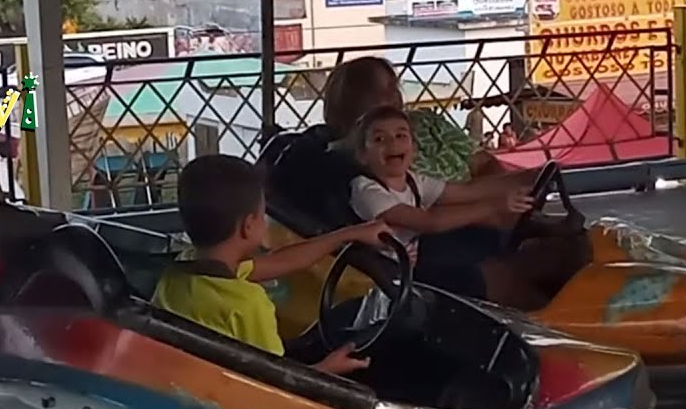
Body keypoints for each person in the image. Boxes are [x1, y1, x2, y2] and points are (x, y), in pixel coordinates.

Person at [151, 153, 395, 376]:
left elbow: (280, 261)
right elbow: (276, 383)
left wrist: (348, 235)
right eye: (263, 214)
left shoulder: (178, 273)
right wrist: (327, 369)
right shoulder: (247, 304)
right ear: (248, 226)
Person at [348, 106, 579, 311]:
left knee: (548, 253)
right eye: (379, 139)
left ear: (413, 148)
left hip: (415, 264)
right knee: (503, 278)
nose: (392, 143)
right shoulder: (366, 190)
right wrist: (494, 207)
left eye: (401, 136)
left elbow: (465, 192)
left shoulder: (413, 181)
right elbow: (429, 221)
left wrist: (525, 180)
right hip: (392, 279)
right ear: (362, 155)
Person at [323, 56, 510, 182]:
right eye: (382, 91)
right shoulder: (365, 149)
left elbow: (484, 162)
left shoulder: (425, 121)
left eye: (394, 87)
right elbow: (426, 202)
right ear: (354, 100)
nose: (394, 96)